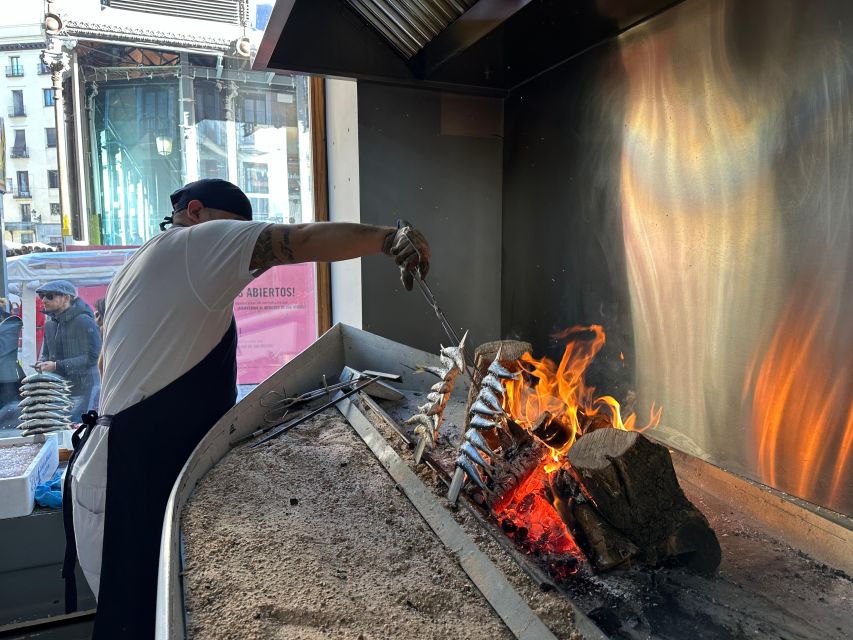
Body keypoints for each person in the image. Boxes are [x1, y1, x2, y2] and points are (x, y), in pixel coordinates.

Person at [64, 178, 430, 638]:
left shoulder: (142, 261)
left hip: (122, 463)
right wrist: (385, 238)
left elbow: (111, 365)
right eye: (237, 234)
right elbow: (300, 240)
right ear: (195, 212)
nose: (248, 265)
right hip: (132, 478)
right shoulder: (196, 243)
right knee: (136, 623)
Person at [35, 280, 101, 420]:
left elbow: (94, 356)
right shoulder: (50, 325)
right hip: (61, 389)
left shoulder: (83, 320)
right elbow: (47, 354)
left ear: (66, 298)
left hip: (86, 389)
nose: (44, 300)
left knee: (77, 427)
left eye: (50, 296)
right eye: (42, 296)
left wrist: (57, 365)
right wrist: (42, 363)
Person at [0, 299, 24, 410]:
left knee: (8, 411)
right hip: (6, 375)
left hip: (7, 376)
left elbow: (4, 350)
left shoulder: (10, 321)